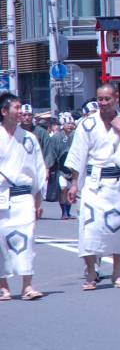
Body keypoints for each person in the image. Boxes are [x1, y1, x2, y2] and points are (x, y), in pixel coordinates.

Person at [66, 84, 120, 291]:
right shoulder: (87, 123)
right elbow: (78, 154)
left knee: (118, 229)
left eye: (107, 99)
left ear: (116, 98)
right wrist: (74, 183)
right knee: (89, 228)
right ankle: (91, 272)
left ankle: (117, 273)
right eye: (100, 99)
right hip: (94, 182)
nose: (103, 103)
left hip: (118, 182)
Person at [0, 92, 46, 301]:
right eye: (16, 108)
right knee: (1, 242)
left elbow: (38, 169)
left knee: (27, 238)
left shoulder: (29, 139)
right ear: (4, 111)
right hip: (1, 195)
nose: (21, 112)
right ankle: (4, 285)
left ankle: (27, 285)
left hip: (24, 196)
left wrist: (38, 198)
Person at [44, 113, 75, 220]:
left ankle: (69, 211)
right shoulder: (56, 137)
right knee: (63, 189)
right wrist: (49, 167)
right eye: (68, 123)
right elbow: (51, 153)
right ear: (62, 124)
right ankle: (64, 212)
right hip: (61, 168)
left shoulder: (76, 135)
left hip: (73, 169)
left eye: (72, 123)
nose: (70, 125)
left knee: (71, 189)